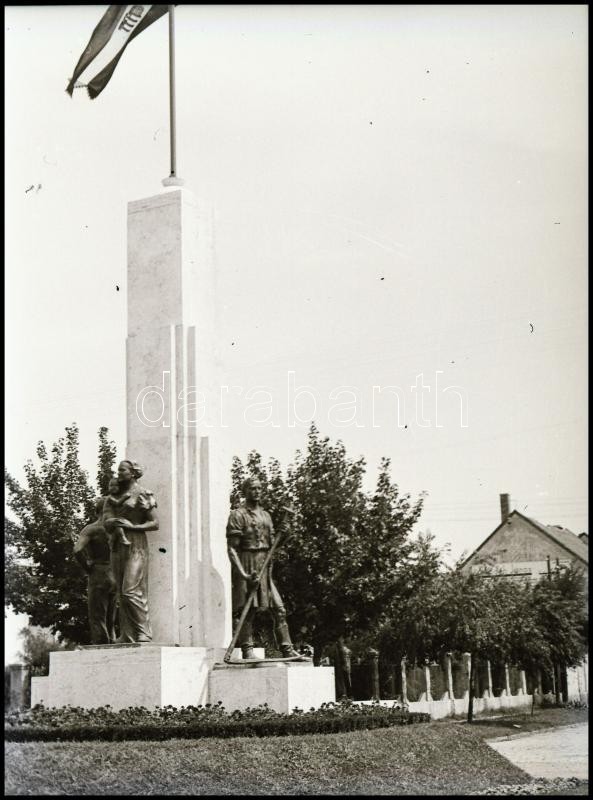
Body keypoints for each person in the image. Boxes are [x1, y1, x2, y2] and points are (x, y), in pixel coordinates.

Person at [226, 477, 300, 660]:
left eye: (259, 488)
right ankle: (247, 649)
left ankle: (287, 649)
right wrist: (244, 575)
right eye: (252, 488)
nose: (257, 491)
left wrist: (285, 533)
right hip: (247, 563)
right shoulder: (238, 515)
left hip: (265, 564)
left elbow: (274, 544)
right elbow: (232, 549)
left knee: (279, 608)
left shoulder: (266, 516)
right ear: (245, 491)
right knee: (248, 609)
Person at [103, 460, 159, 643]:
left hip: (136, 544)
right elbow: (106, 521)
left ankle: (144, 631)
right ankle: (127, 635)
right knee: (121, 592)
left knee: (130, 590)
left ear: (133, 473)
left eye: (122, 470)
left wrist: (132, 526)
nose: (119, 473)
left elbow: (155, 523)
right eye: (118, 470)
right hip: (117, 545)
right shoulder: (114, 495)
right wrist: (113, 522)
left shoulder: (143, 493)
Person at [73, 497, 117, 644]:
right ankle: (112, 644)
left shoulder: (91, 529)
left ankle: (101, 647)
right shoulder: (116, 529)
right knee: (111, 617)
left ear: (96, 510)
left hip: (98, 572)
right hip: (115, 574)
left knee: (97, 616)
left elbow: (77, 550)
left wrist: (87, 568)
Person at [103, 476, 131, 549]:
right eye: (111, 485)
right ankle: (122, 538)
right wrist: (125, 497)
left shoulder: (116, 496)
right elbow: (117, 503)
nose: (113, 487)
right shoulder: (109, 497)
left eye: (116, 485)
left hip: (111, 519)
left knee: (116, 528)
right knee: (118, 523)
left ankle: (111, 541)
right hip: (107, 518)